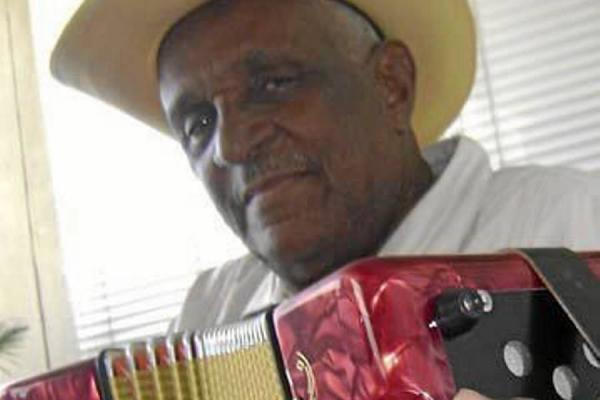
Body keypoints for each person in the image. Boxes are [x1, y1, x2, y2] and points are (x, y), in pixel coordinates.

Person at [51, 0, 600, 398]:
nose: (232, 145)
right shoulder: (212, 311)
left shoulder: (570, 226)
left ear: (391, 85)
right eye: (197, 123)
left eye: (273, 84)